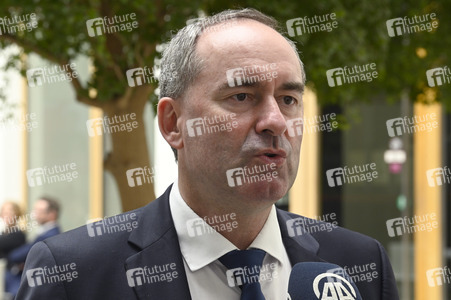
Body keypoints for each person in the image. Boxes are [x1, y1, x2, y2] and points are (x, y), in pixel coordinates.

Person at [17, 8, 399, 299]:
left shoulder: (359, 264)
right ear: (172, 123)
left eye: (288, 99)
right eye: (241, 96)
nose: (275, 121)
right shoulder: (73, 273)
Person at [8, 197, 60, 297]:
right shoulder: (45, 232)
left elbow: (20, 255)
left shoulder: (50, 235)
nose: (35, 214)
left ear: (52, 214)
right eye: (34, 210)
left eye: (39, 211)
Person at [0, 202, 27, 298]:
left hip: (13, 278)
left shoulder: (18, 234)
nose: (7, 215)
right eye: (5, 212)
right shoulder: (3, 234)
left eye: (10, 212)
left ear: (17, 214)